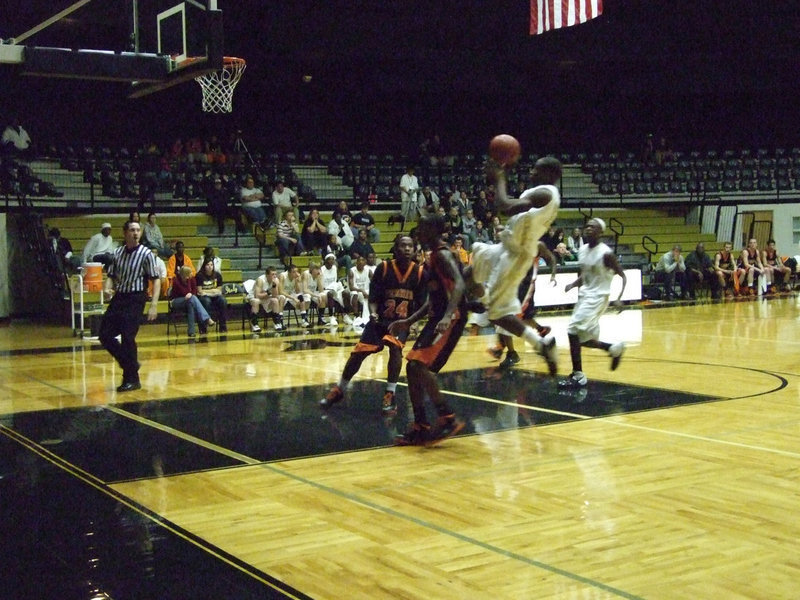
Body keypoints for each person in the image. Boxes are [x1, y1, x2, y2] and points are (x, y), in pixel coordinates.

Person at [465, 157, 562, 377]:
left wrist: (499, 178)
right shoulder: (541, 194)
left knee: (498, 315)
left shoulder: (546, 193)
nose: (531, 172)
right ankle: (484, 301)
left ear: (550, 174)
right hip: (506, 247)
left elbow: (505, 207)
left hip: (516, 254)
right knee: (471, 269)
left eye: (537, 170)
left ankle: (541, 345)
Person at [321, 236, 427, 414]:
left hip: (400, 322)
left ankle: (390, 393)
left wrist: (413, 322)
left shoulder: (419, 273)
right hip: (380, 320)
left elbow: (423, 304)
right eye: (403, 245)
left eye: (410, 246)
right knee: (358, 354)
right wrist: (373, 312)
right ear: (396, 248)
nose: (407, 249)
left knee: (395, 350)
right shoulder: (384, 268)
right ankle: (340, 388)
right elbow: (373, 298)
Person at [389, 216, 467, 446]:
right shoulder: (432, 256)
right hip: (439, 317)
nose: (418, 232)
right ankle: (421, 426)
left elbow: (460, 284)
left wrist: (447, 315)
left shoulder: (442, 255)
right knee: (413, 368)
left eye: (422, 228)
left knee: (417, 365)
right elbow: (433, 299)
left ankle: (448, 418)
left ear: (434, 230)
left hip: (451, 318)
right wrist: (409, 320)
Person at [559, 218, 627, 389]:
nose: (588, 228)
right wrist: (573, 284)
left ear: (600, 232)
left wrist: (619, 297)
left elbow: (622, 275)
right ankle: (613, 348)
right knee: (582, 339)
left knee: (572, 331)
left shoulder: (606, 254)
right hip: (585, 296)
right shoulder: (582, 250)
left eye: (593, 227)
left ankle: (578, 375)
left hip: (598, 297)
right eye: (587, 226)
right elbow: (586, 274)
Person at [99, 220, 160, 392]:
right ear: (125, 233)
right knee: (104, 334)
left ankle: (132, 379)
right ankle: (130, 364)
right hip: (120, 296)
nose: (136, 233)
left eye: (138, 230)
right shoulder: (117, 252)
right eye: (132, 230)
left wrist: (154, 305)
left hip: (136, 297)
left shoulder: (146, 254)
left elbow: (156, 280)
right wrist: (107, 289)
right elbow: (111, 275)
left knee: (127, 336)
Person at [170, 265, 216, 337]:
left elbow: (194, 291)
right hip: (176, 301)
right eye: (190, 273)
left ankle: (191, 332)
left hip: (189, 300)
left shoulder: (192, 279)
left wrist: (190, 294)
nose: (192, 274)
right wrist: (190, 293)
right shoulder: (176, 281)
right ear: (185, 275)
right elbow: (183, 292)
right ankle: (207, 318)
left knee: (190, 304)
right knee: (192, 298)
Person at [249, 266, 286, 332]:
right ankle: (254, 324)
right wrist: (268, 293)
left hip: (266, 298)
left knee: (275, 300)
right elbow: (257, 295)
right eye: (272, 274)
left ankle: (276, 322)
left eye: (275, 274)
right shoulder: (260, 280)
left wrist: (274, 286)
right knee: (256, 301)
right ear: (267, 275)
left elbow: (275, 295)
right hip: (255, 297)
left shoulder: (276, 280)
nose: (274, 276)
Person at [196, 259, 228, 332]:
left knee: (223, 300)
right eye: (207, 265)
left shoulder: (218, 275)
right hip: (203, 297)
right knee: (206, 301)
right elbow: (199, 291)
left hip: (214, 296)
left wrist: (207, 291)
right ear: (204, 266)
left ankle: (223, 326)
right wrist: (212, 290)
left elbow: (219, 290)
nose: (210, 266)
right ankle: (203, 327)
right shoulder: (199, 275)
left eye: (211, 265)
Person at [320, 252, 352, 326]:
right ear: (326, 261)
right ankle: (331, 316)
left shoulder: (334, 268)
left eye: (333, 259)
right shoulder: (322, 269)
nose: (332, 261)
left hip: (335, 288)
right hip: (325, 289)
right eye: (330, 259)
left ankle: (345, 315)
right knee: (331, 293)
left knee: (346, 293)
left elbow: (335, 280)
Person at [301, 261, 329, 326]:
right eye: (317, 269)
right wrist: (316, 296)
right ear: (312, 270)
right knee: (307, 296)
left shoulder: (319, 275)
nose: (318, 271)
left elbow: (321, 290)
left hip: (312, 293)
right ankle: (305, 318)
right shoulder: (306, 274)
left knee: (323, 295)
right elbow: (305, 290)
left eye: (319, 269)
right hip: (303, 294)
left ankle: (321, 318)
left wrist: (319, 279)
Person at [347, 255, 373, 322]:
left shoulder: (369, 271)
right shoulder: (352, 271)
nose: (361, 262)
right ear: (356, 262)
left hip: (366, 291)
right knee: (355, 294)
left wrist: (370, 292)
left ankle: (373, 314)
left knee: (374, 294)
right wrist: (361, 290)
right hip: (355, 291)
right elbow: (351, 288)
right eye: (359, 260)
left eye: (362, 260)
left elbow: (374, 284)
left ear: (365, 263)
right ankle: (356, 316)